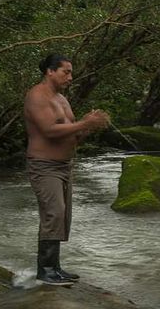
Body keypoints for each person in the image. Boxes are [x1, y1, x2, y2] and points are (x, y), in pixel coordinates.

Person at [24, 54, 110, 286]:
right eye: (66, 72)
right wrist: (84, 123)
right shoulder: (36, 96)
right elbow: (49, 130)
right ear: (50, 71)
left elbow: (72, 133)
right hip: (44, 165)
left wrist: (90, 125)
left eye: (71, 72)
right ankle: (45, 270)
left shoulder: (62, 99)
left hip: (64, 165)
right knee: (54, 212)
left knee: (63, 216)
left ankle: (56, 267)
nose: (70, 77)